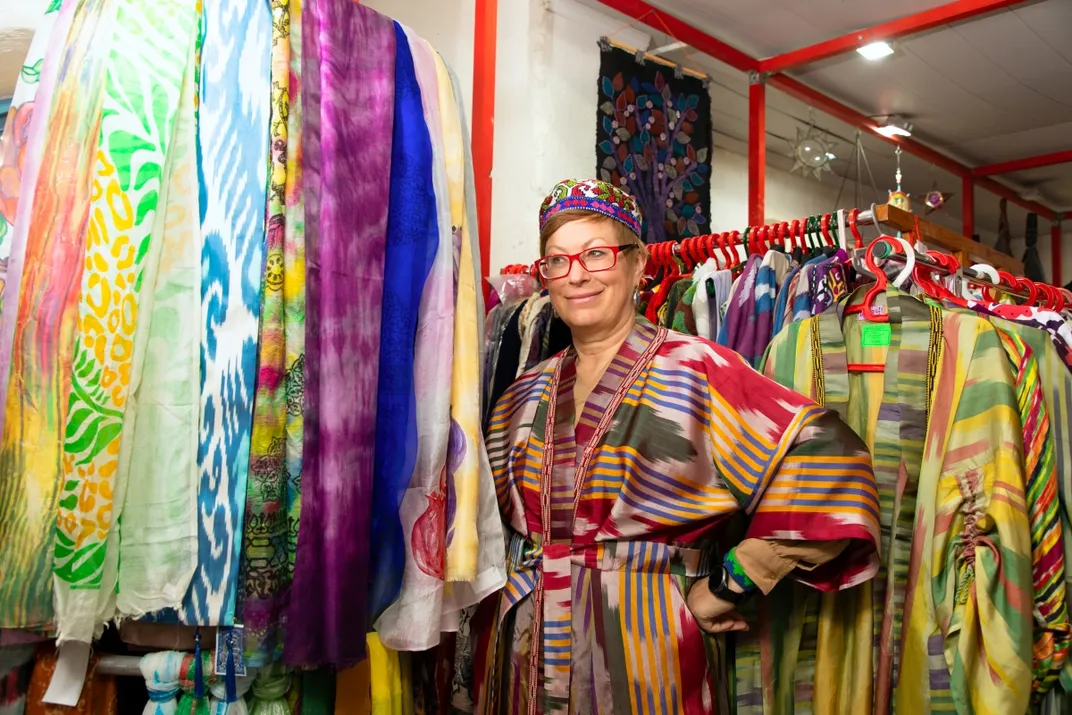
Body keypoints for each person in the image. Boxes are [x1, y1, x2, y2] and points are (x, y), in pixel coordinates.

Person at [471, 179, 881, 714]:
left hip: (648, 645)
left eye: (596, 254)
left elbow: (829, 460)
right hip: (527, 650)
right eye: (557, 261)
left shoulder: (697, 370)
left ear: (638, 263)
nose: (576, 276)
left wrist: (733, 581)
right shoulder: (523, 395)